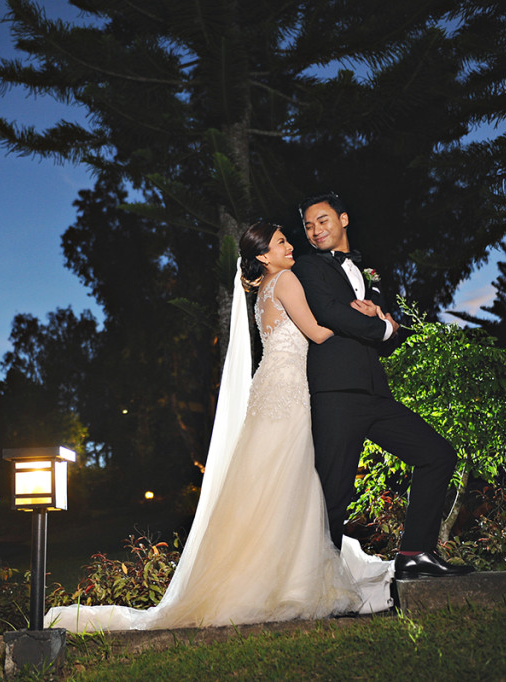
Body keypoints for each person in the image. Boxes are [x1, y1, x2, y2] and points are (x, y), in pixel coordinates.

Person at [44, 221, 394, 633]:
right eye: (283, 241)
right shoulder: (286, 281)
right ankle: (288, 582)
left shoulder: (263, 289)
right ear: (264, 255)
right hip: (289, 392)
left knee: (266, 485)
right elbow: (317, 333)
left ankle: (264, 576)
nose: (290, 246)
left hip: (268, 391)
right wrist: (358, 316)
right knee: (290, 482)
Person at [292, 192, 475, 579]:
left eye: (322, 220)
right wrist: (381, 325)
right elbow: (331, 314)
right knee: (333, 493)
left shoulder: (370, 271)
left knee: (437, 454)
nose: (315, 231)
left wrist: (383, 324)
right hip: (336, 393)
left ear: (343, 219)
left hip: (376, 392)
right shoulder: (309, 268)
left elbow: (391, 332)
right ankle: (317, 581)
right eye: (308, 225)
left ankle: (414, 554)